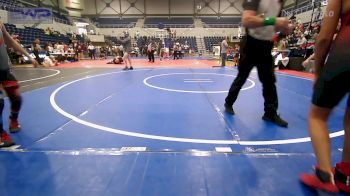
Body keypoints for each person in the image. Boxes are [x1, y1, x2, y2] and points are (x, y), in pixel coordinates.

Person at [300, 0, 350, 193]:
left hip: (345, 54)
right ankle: (346, 176)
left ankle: (324, 175)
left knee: (317, 116)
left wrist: (318, 70)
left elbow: (324, 37)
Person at [224, 0, 292, 127]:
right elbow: (247, 20)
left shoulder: (279, 3)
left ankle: (270, 113)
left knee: (269, 81)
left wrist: (283, 28)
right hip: (250, 43)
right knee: (242, 77)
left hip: (266, 45)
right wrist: (273, 21)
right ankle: (228, 102)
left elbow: (272, 25)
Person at [0, 21, 39, 147]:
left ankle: (13, 119)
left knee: (16, 97)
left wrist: (29, 56)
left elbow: (10, 41)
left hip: (4, 68)